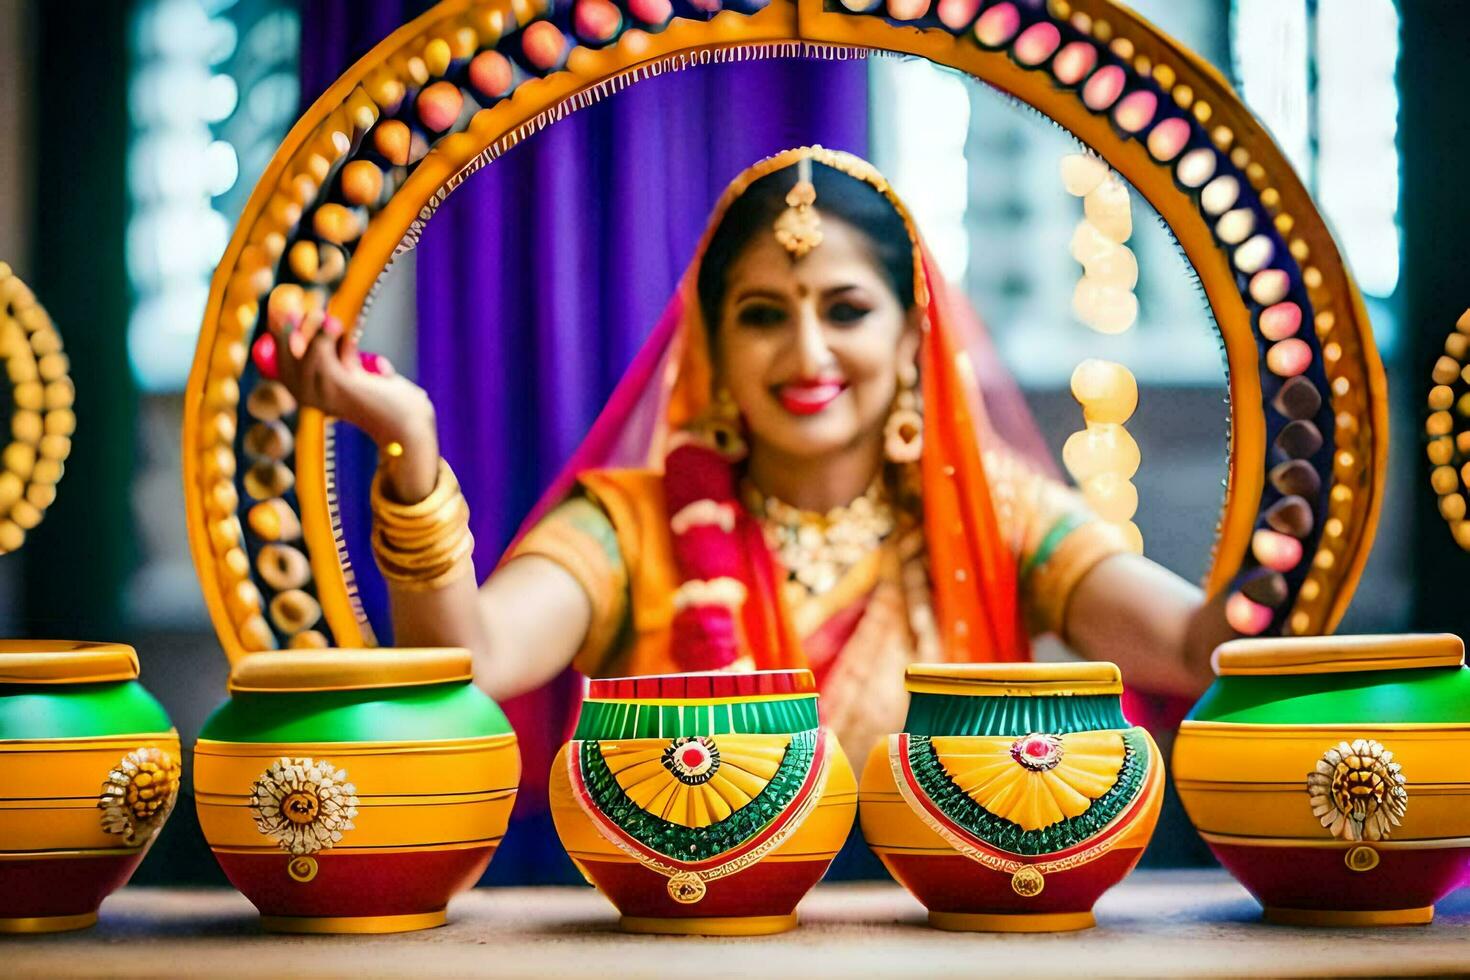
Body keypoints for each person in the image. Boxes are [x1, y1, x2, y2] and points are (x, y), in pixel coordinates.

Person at [271, 146, 1229, 764]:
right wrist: (409, 447)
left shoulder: (995, 515)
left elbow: (1194, 650)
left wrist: (1292, 504)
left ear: (910, 339)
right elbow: (466, 663)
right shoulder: (631, 527)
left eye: (847, 310)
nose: (808, 354)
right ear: (713, 347)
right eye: (764, 315)